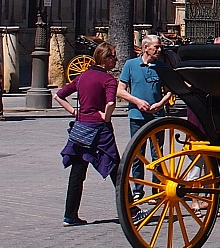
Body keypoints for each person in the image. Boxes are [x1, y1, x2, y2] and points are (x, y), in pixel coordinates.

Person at [54, 42, 120, 227]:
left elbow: (58, 95)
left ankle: (70, 214)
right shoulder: (108, 80)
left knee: (78, 172)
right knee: (116, 168)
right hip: (100, 130)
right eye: (113, 57)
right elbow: (110, 104)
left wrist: (74, 112)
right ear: (105, 59)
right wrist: (106, 117)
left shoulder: (82, 77)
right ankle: (131, 209)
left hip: (81, 128)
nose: (115, 60)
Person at [117, 34, 175, 212]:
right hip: (137, 116)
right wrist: (137, 101)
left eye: (159, 47)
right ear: (145, 48)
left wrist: (161, 103)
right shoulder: (131, 65)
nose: (159, 50)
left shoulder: (162, 67)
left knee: (158, 155)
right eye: (156, 47)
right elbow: (120, 90)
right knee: (137, 154)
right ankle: (137, 189)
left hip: (157, 117)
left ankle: (156, 188)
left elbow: (170, 90)